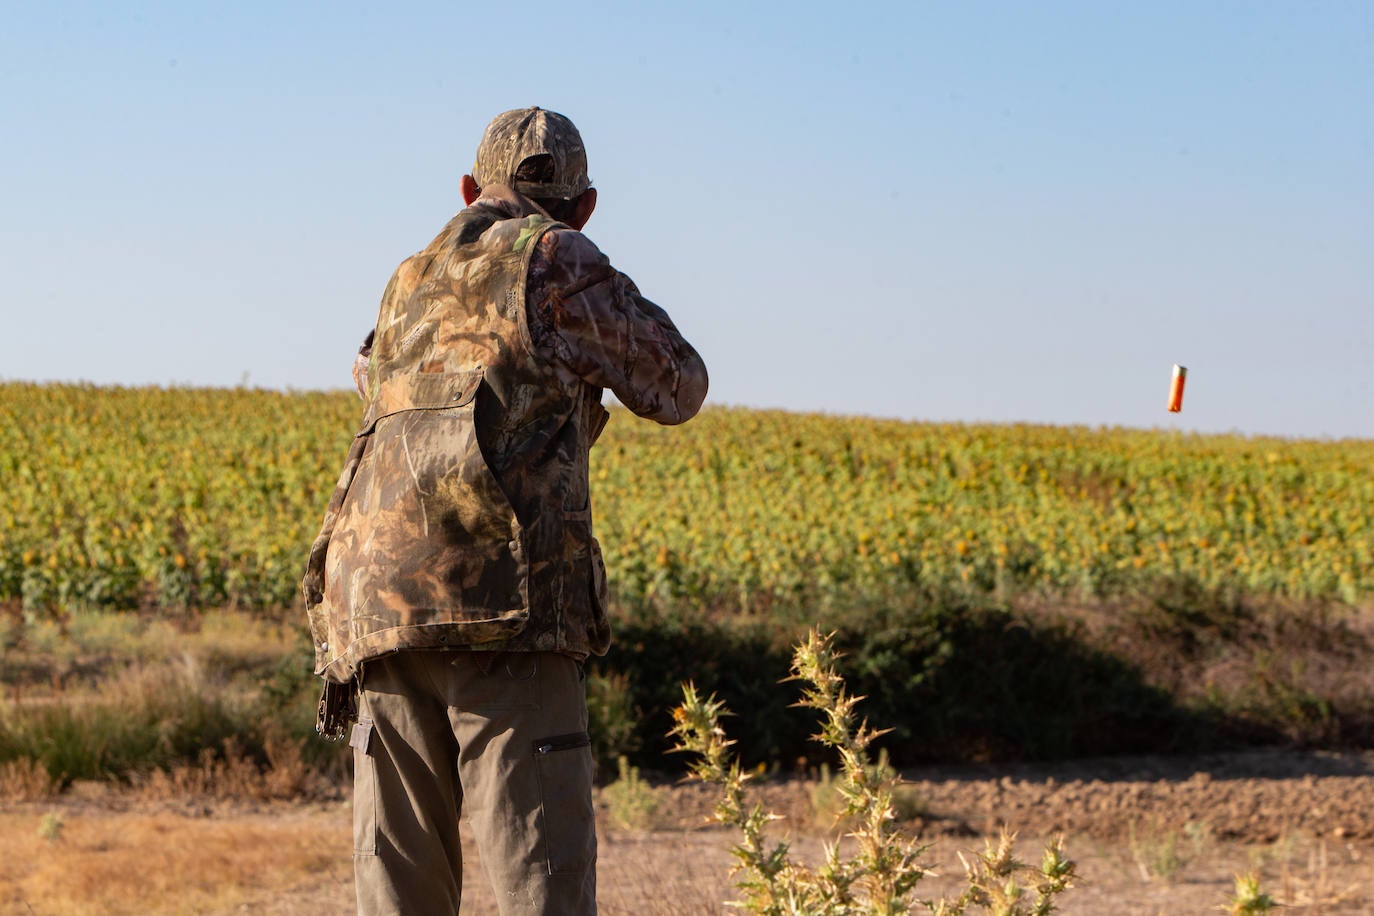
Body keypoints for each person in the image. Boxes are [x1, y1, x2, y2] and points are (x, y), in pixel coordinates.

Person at [301, 107, 708, 915]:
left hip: (376, 612)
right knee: (541, 887)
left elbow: (366, 374)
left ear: (466, 190)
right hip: (505, 611)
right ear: (585, 205)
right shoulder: (558, 255)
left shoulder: (407, 277)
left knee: (398, 897)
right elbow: (678, 384)